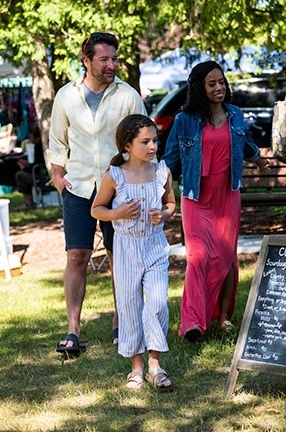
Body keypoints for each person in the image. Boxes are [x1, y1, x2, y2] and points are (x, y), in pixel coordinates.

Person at [46, 32, 147, 356]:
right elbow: (57, 143)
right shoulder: (66, 96)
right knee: (77, 256)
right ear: (86, 61)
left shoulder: (127, 96)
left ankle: (122, 322)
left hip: (118, 188)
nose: (111, 65)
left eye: (114, 59)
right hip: (78, 188)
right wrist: (59, 177)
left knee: (122, 259)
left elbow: (144, 140)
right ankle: (73, 330)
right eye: (104, 59)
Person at [161, 61, 270, 342]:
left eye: (221, 82)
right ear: (200, 87)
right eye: (212, 84)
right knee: (198, 257)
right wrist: (152, 182)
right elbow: (171, 158)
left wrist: (258, 160)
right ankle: (193, 323)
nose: (219, 87)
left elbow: (243, 143)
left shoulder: (234, 114)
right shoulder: (184, 119)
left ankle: (222, 318)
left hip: (227, 195)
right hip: (196, 197)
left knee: (225, 256)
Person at [91, 114, 175, 390]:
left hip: (155, 247)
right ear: (127, 145)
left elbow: (171, 203)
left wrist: (163, 214)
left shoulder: (162, 172)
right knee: (129, 305)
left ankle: (155, 365)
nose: (152, 146)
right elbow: (96, 209)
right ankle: (136, 367)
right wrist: (117, 212)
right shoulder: (114, 176)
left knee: (158, 303)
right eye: (145, 141)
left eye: (155, 140)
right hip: (126, 248)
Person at [15, 126, 43, 209]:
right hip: (39, 172)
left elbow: (36, 165)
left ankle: (28, 202)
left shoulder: (38, 147)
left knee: (19, 175)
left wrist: (26, 166)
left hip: (39, 175)